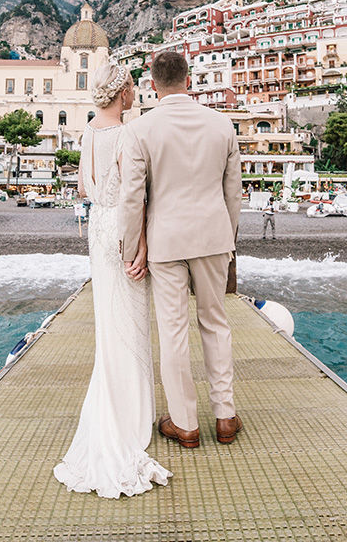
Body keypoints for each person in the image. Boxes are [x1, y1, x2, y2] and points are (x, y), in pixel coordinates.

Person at [53, 63, 171, 498]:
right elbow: (134, 196)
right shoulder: (129, 133)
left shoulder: (87, 133)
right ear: (121, 92)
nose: (137, 92)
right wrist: (138, 248)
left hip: (98, 229)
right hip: (122, 230)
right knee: (133, 320)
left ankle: (119, 404)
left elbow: (87, 188)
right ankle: (132, 418)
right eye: (133, 87)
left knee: (110, 320)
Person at [119, 51, 243, 450]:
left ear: (151, 85)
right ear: (189, 80)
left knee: (172, 332)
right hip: (213, 237)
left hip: (166, 241)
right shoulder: (222, 125)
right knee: (215, 323)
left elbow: (131, 197)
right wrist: (229, 238)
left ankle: (186, 423)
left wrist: (130, 248)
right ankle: (225, 416)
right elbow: (233, 194)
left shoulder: (141, 129)